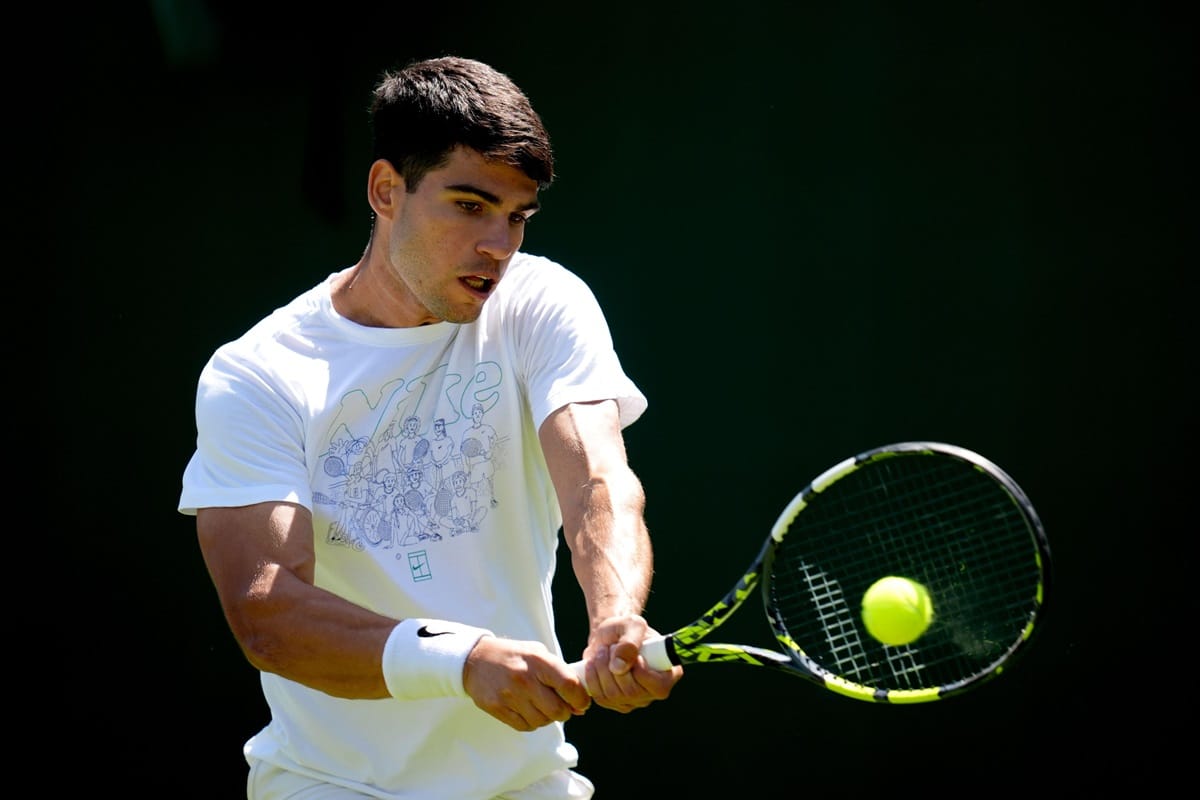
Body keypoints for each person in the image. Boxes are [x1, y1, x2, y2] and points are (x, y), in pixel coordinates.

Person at [177, 55, 681, 800]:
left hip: (527, 780)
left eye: (516, 216)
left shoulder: (542, 304)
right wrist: (460, 659)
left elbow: (598, 483)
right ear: (387, 191)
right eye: (470, 206)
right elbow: (267, 611)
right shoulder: (258, 373)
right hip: (331, 787)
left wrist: (615, 615)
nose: (499, 247)